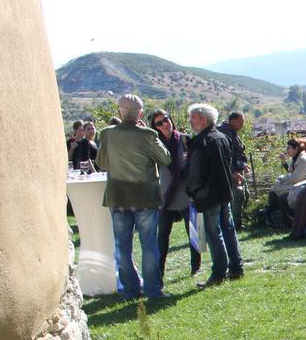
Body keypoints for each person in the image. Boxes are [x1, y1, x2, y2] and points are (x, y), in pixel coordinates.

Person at [94, 94, 171, 299]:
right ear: (141, 114)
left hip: (119, 197)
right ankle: (153, 290)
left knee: (122, 247)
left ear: (119, 112)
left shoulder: (107, 134)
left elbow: (102, 163)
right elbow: (166, 158)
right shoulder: (148, 134)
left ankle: (131, 290)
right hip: (145, 197)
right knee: (149, 246)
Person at [185, 103, 244, 286]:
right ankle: (236, 267)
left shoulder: (200, 141)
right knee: (228, 231)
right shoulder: (223, 137)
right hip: (224, 192)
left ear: (203, 119)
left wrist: (193, 191)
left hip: (208, 194)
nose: (190, 121)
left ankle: (218, 273)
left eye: (193, 117)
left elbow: (194, 173)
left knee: (214, 234)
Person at [150, 109, 200, 279]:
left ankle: (196, 268)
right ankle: (159, 271)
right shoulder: (156, 145)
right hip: (166, 195)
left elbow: (197, 164)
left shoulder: (185, 139)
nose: (165, 124)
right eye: (159, 123)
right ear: (155, 127)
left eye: (166, 119)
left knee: (194, 233)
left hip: (187, 194)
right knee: (162, 236)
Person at [265, 138, 306, 220]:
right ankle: (277, 218)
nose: (287, 150)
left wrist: (282, 179)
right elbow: (291, 173)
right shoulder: (295, 158)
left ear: (296, 148)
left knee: (282, 198)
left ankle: (295, 219)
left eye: (289, 148)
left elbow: (295, 178)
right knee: (273, 194)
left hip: (304, 188)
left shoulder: (303, 160)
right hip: (296, 186)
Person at [217, 111, 250, 227]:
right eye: (240, 122)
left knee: (244, 195)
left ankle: (236, 221)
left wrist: (243, 165)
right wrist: (233, 172)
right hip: (231, 171)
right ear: (233, 121)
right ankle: (233, 224)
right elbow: (225, 155)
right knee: (238, 196)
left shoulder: (232, 132)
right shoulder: (224, 132)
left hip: (237, 168)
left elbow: (237, 152)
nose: (242, 124)